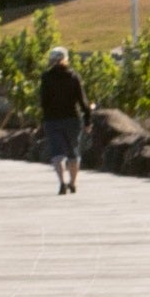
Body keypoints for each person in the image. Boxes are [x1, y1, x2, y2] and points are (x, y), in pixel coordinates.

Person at [39, 49, 93, 194]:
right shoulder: (73, 77)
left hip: (52, 119)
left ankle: (62, 182)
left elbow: (43, 102)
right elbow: (83, 101)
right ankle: (73, 183)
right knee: (73, 152)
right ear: (66, 60)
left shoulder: (46, 77)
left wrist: (43, 119)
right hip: (72, 119)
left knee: (57, 153)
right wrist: (88, 120)